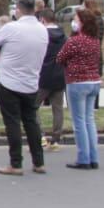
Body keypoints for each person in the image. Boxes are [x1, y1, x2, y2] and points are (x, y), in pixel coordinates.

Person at [0, 0, 48, 176]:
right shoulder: (42, 30)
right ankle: (39, 161)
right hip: (31, 82)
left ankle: (16, 163)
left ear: (18, 10)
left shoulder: (12, 28)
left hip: (10, 82)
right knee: (31, 122)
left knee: (12, 123)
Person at [59, 9, 103, 169]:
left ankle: (83, 158)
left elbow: (60, 58)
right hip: (93, 81)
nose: (74, 22)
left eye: (76, 19)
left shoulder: (74, 41)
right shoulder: (95, 40)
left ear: (82, 22)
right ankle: (93, 157)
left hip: (77, 82)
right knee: (89, 120)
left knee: (79, 122)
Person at [36, 8, 67, 152]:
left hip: (44, 75)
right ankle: (56, 138)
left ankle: (39, 137)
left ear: (43, 19)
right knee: (58, 108)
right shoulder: (63, 35)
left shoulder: (42, 35)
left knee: (33, 106)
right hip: (60, 74)